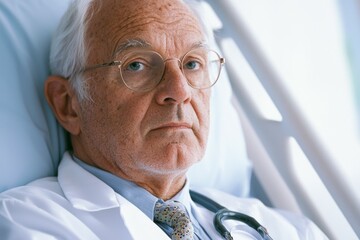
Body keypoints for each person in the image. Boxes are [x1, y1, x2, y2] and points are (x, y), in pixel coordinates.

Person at [0, 0, 328, 239]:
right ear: (68, 104)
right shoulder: (28, 223)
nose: (179, 90)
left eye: (192, 64)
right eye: (136, 65)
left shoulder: (289, 229)